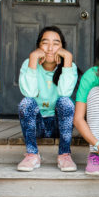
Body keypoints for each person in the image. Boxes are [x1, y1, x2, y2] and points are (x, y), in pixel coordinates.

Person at [16, 26, 79, 172]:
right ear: (38, 46)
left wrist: (68, 58)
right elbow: (29, 93)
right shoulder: (29, 63)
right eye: (45, 42)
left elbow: (65, 92)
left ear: (62, 47)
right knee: (26, 103)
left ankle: (64, 155)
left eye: (56, 43)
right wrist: (32, 59)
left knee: (66, 102)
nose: (50, 48)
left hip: (59, 124)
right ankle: (32, 155)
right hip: (37, 124)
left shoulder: (69, 66)